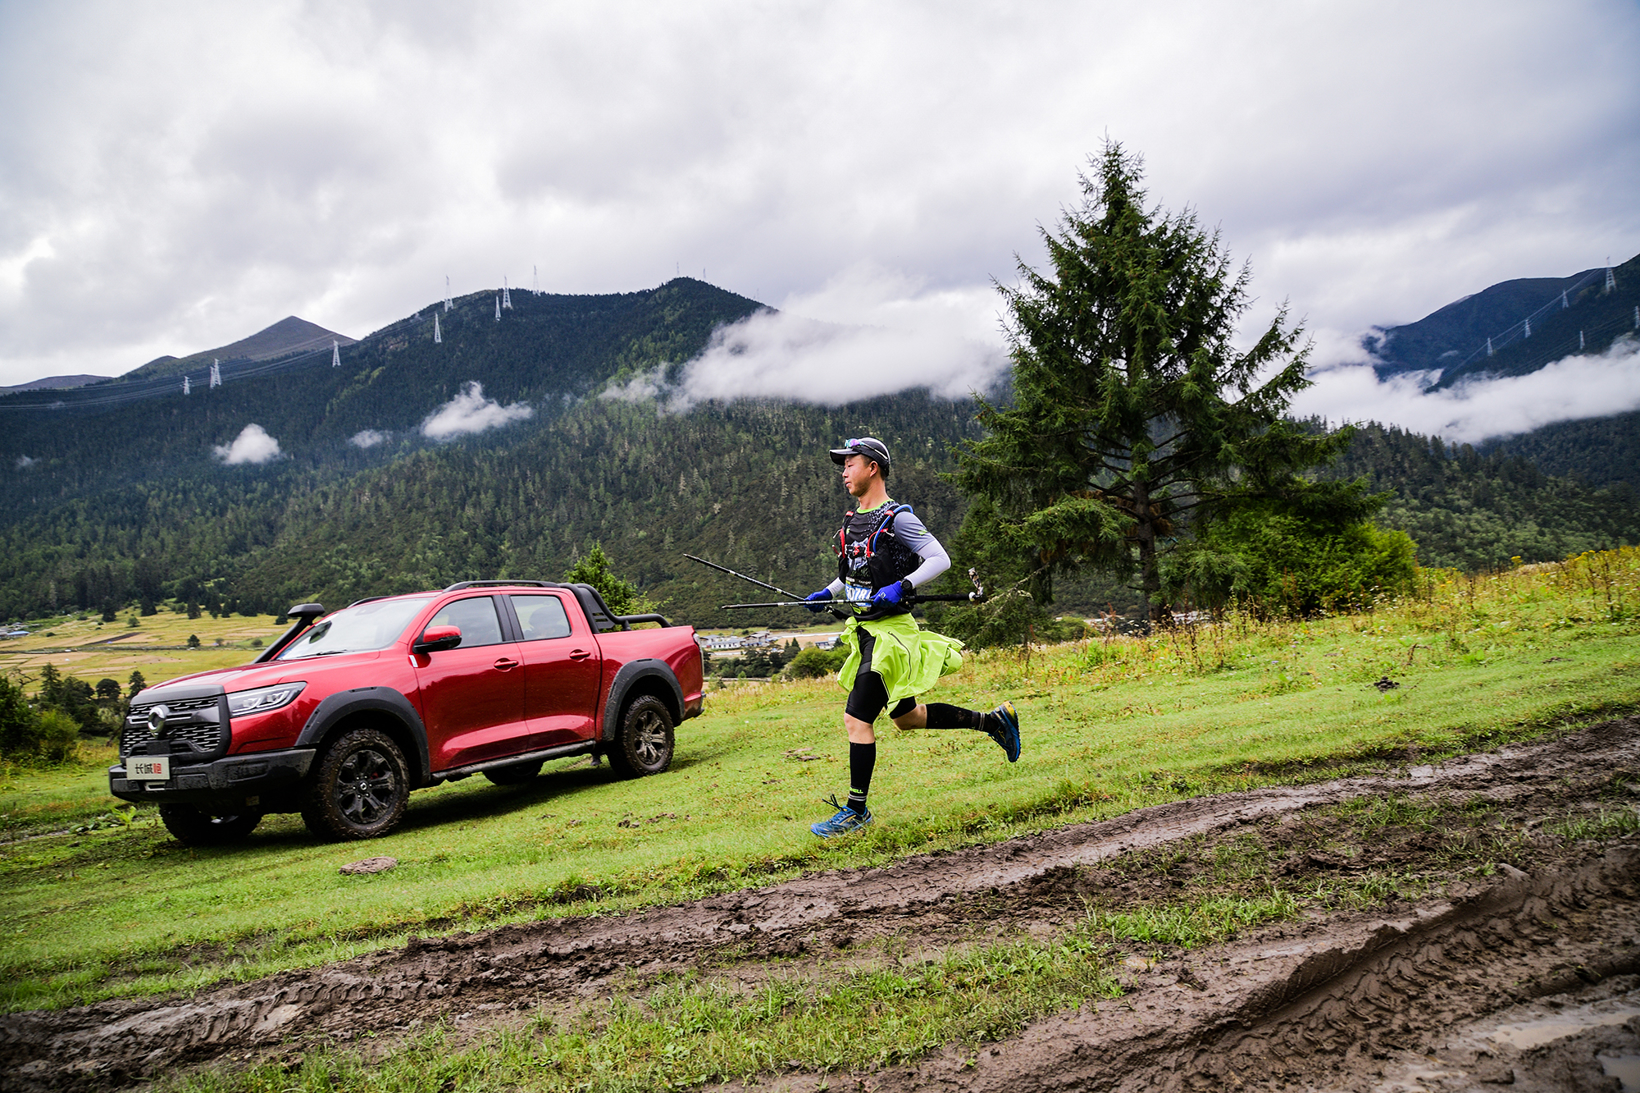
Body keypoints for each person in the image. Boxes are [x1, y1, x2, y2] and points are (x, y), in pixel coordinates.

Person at [803, 436, 1020, 838]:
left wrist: (903, 585)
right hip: (867, 631)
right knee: (907, 717)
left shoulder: (897, 518)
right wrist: (829, 593)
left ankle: (856, 811)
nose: (844, 471)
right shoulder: (853, 520)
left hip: (892, 637)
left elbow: (940, 558)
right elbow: (855, 571)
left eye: (850, 463)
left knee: (856, 720)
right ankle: (993, 722)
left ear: (873, 467)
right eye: (843, 465)